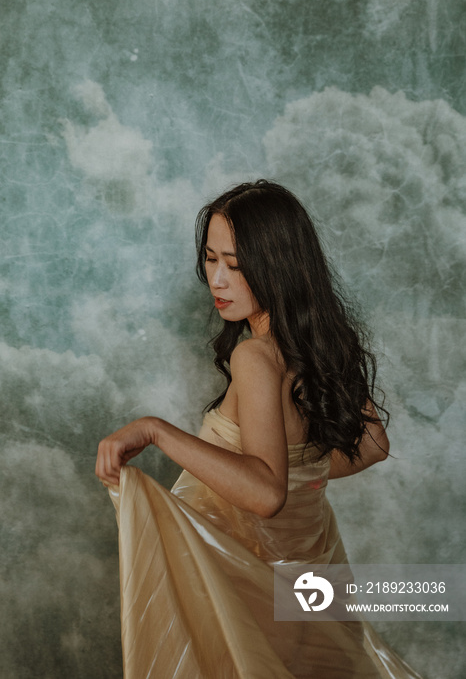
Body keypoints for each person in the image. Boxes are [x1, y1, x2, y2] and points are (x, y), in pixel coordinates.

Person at [96, 180, 422, 679]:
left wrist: (156, 431)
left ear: (278, 266)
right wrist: (305, 478)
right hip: (305, 577)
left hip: (253, 589)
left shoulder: (255, 356)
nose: (217, 281)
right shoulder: (322, 340)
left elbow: (266, 492)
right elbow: (375, 444)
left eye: (237, 265)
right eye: (211, 259)